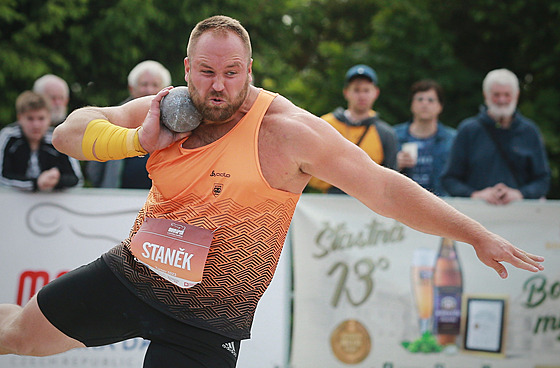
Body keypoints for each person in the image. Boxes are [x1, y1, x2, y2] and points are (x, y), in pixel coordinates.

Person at [0, 16, 544, 367]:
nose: (218, 86)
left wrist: (474, 234)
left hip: (208, 319)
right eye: (207, 72)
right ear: (188, 68)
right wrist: (133, 140)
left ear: (250, 70)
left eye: (232, 73)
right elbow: (67, 132)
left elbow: (383, 187)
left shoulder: (288, 132)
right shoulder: (166, 111)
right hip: (133, 274)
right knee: (19, 334)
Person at [441, 68, 550, 205]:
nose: (502, 100)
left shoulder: (530, 131)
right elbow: (449, 179)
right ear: (485, 95)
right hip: (476, 215)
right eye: (496, 94)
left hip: (522, 217)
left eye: (506, 94)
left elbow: (543, 180)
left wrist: (520, 194)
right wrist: (476, 195)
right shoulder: (468, 130)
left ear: (516, 95)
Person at [306, 64, 398, 194]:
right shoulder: (326, 124)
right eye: (356, 90)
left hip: (369, 203)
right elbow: (308, 166)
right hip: (330, 202)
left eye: (366, 90)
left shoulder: (386, 133)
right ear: (346, 92)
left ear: (376, 93)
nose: (361, 96)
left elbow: (391, 179)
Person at [86, 60, 172, 189]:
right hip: (116, 200)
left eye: (155, 85)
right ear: (131, 88)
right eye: (144, 84)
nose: (149, 90)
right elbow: (95, 166)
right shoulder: (113, 118)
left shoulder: (175, 121)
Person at [0, 91, 82, 191]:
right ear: (20, 118)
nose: (36, 125)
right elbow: (2, 178)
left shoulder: (58, 138)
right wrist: (36, 183)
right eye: (30, 119)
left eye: (41, 118)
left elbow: (76, 179)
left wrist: (57, 180)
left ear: (49, 119)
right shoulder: (9, 137)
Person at [394, 79, 456, 196]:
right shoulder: (394, 135)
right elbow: (377, 171)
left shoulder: (453, 139)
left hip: (441, 203)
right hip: (403, 203)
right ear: (412, 104)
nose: (425, 103)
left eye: (431, 100)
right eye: (420, 99)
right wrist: (394, 164)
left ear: (440, 106)